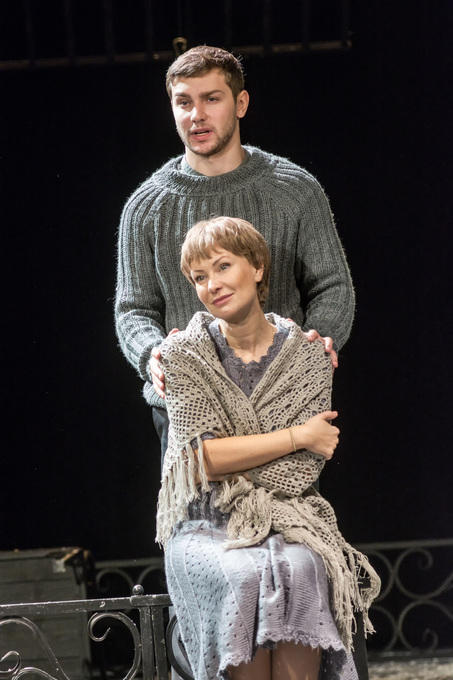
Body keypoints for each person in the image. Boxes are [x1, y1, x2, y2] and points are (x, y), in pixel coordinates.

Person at [156, 217, 379, 680]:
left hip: (290, 515)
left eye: (223, 266)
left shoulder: (308, 358)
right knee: (243, 577)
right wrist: (297, 436)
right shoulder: (182, 356)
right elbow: (199, 462)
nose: (213, 285)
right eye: (199, 277)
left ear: (257, 267)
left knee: (301, 569)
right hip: (205, 521)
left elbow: (297, 474)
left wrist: (232, 454)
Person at [114, 45, 355, 459]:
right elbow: (133, 308)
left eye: (212, 99)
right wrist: (150, 352)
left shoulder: (294, 189)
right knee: (196, 503)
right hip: (189, 405)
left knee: (288, 504)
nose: (197, 115)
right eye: (184, 102)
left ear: (241, 103)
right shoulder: (146, 207)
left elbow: (332, 286)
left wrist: (319, 339)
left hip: (281, 396)